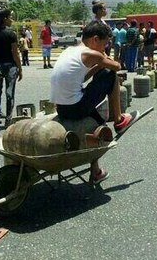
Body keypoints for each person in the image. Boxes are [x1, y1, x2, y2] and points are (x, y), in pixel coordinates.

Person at [50, 20, 140, 184]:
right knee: (110, 74)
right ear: (95, 39)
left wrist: (98, 65)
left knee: (98, 124)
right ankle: (119, 119)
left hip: (63, 108)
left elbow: (83, 77)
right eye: (105, 44)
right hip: (76, 108)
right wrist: (105, 59)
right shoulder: (92, 54)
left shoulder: (71, 51)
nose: (105, 48)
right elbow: (117, 67)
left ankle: (96, 171)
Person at [0, 6, 23, 127]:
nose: (12, 20)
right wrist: (20, 68)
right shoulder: (11, 34)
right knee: (10, 93)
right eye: (10, 17)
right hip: (11, 67)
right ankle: (8, 120)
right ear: (4, 19)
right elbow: (15, 53)